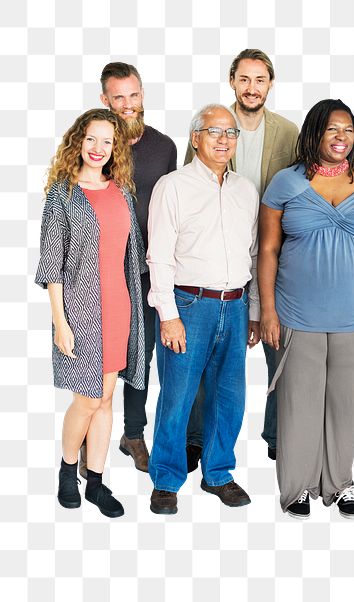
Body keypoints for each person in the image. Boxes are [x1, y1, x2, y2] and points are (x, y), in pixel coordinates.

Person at [258, 99, 354, 521]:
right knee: (299, 402)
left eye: (348, 130)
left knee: (347, 402)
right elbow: (267, 248)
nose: (341, 137)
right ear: (314, 133)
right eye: (332, 129)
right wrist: (267, 311)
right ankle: (297, 487)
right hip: (297, 314)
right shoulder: (286, 182)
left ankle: (339, 484)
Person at [184, 49, 299, 467]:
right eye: (245, 79)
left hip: (272, 257)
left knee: (279, 347)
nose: (252, 88)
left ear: (271, 84)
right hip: (216, 261)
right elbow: (189, 189)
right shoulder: (210, 124)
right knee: (202, 358)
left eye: (260, 80)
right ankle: (195, 438)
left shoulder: (288, 133)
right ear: (232, 81)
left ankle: (276, 432)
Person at [146, 104, 261, 515]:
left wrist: (253, 311)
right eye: (213, 132)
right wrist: (168, 314)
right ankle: (166, 478)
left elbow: (251, 251)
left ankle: (218, 474)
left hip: (235, 304)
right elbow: (158, 254)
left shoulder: (245, 189)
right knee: (177, 396)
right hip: (188, 304)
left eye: (230, 133)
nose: (223, 140)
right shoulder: (172, 186)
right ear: (195, 138)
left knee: (229, 397)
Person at [36, 108, 145, 518]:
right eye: (91, 139)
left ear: (116, 147)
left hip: (119, 305)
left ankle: (96, 482)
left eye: (107, 141)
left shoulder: (122, 192)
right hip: (80, 307)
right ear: (77, 142)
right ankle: (68, 472)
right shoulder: (61, 194)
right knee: (87, 399)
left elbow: (129, 258)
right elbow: (51, 264)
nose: (98, 149)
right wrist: (59, 321)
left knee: (107, 398)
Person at [94, 62, 176, 475]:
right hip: (104, 271)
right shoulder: (97, 145)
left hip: (149, 270)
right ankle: (91, 449)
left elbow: (172, 209)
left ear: (143, 94)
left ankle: (134, 433)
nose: (128, 105)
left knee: (143, 357)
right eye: (118, 97)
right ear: (105, 99)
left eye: (134, 95)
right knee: (107, 359)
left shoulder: (164, 147)